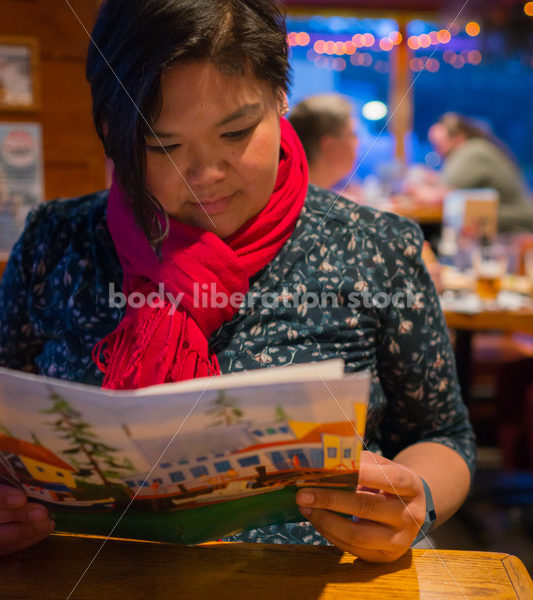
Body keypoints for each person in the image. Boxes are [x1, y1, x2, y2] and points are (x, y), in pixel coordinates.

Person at [0, 0, 475, 561]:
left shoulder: (374, 247)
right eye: (163, 146)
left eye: (236, 133)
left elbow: (444, 436)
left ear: (280, 100)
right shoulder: (57, 243)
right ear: (114, 133)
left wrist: (412, 497)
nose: (204, 175)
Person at [407, 112, 533, 233]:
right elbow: (453, 184)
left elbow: (442, 194)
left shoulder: (471, 152)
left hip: (513, 222)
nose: (437, 151)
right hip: (504, 217)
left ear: (458, 139)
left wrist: (417, 189)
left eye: (440, 145)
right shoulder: (476, 147)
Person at [288, 94, 358, 190]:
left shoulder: (292, 191)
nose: (357, 143)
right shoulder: (313, 202)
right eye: (353, 135)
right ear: (331, 148)